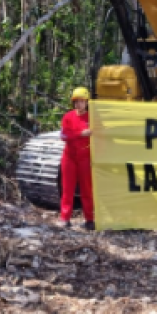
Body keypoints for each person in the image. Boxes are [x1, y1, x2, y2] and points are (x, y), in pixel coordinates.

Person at [59, 87, 94, 230]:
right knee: (67, 189)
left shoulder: (92, 118)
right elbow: (64, 135)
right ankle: (65, 218)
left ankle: (89, 220)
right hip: (69, 158)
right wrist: (81, 133)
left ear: (87, 102)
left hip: (85, 158)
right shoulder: (68, 117)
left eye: (82, 101)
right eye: (76, 101)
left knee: (87, 190)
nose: (79, 104)